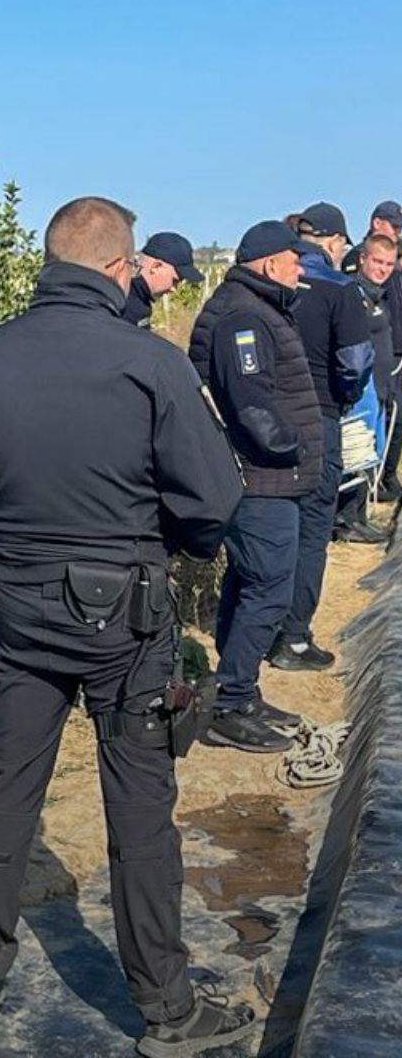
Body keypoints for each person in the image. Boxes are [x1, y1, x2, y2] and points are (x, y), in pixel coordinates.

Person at [0, 196, 250, 1056]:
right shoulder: (149, 363)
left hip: (18, 611)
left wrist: (20, 543)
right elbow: (213, 502)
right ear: (119, 268)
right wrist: (161, 546)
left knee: (4, 795)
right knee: (140, 813)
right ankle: (169, 1013)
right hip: (129, 622)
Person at [189, 221, 326, 752]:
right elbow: (251, 404)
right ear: (270, 264)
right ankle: (229, 704)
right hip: (261, 478)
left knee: (249, 584)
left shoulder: (252, 306)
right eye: (296, 261)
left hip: (260, 475)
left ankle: (237, 689)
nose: (301, 271)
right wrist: (292, 446)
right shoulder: (244, 317)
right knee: (270, 588)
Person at [277, 203, 377, 664]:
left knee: (270, 523)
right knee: (314, 527)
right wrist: (344, 396)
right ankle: (294, 636)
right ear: (336, 242)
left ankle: (257, 626)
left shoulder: (269, 280)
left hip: (264, 416)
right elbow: (355, 361)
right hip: (319, 415)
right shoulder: (340, 288)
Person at [346, 204, 402, 496]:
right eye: (377, 262)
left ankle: (363, 506)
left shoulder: (379, 295)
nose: (382, 269)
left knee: (377, 445)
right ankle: (350, 516)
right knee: (359, 449)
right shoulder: (353, 293)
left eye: (388, 265)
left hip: (384, 378)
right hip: (362, 385)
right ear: (362, 259)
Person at [121, 231, 205, 328]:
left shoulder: (138, 296)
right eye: (174, 281)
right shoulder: (125, 302)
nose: (174, 289)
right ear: (156, 267)